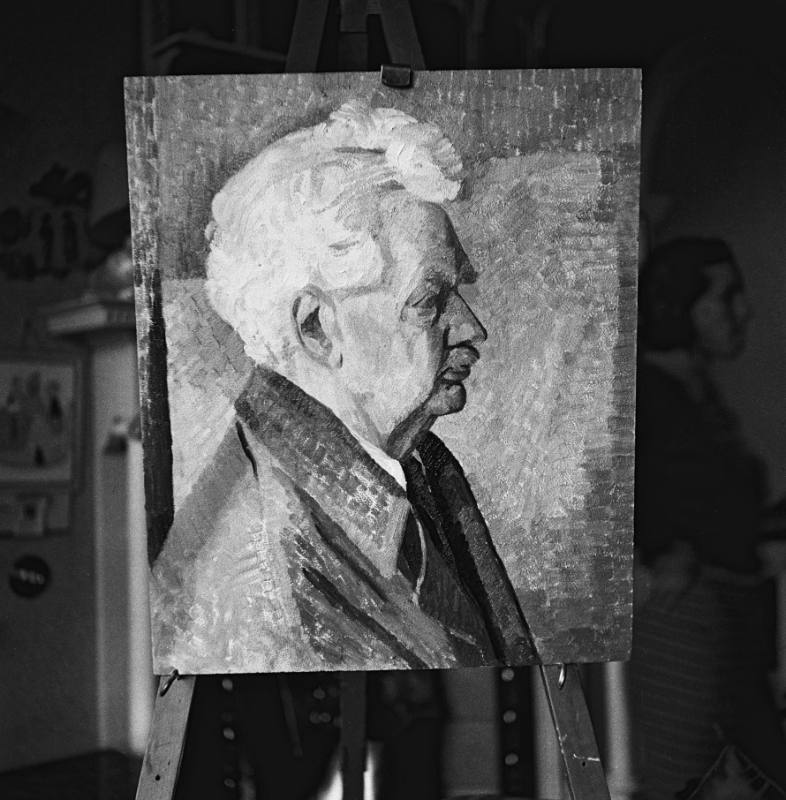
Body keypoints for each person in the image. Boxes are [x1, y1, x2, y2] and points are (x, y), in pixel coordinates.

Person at [150, 100, 535, 675]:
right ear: (317, 328)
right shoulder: (265, 559)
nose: (472, 327)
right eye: (429, 300)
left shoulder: (419, 461)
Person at [632, 237, 786, 798]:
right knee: (683, 778)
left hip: (732, 613)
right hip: (681, 618)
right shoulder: (647, 394)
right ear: (679, 307)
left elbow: (718, 513)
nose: (742, 310)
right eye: (725, 296)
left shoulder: (694, 393)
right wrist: (656, 553)